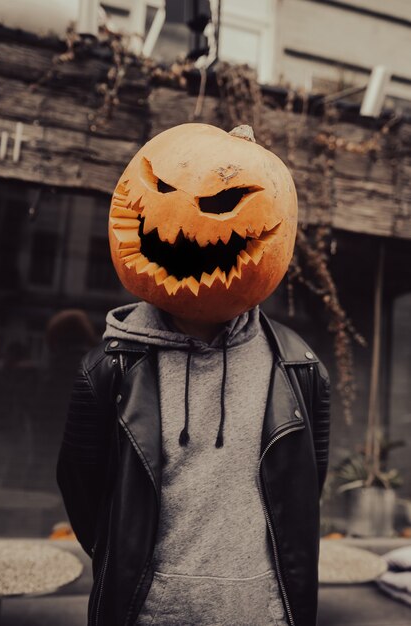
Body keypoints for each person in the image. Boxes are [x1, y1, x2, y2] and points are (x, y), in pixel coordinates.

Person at [57, 123, 330, 626]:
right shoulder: (109, 368)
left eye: (224, 200)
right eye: (160, 187)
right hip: (148, 613)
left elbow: (301, 489)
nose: (184, 217)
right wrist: (125, 564)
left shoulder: (300, 369)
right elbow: (82, 488)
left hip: (264, 614)